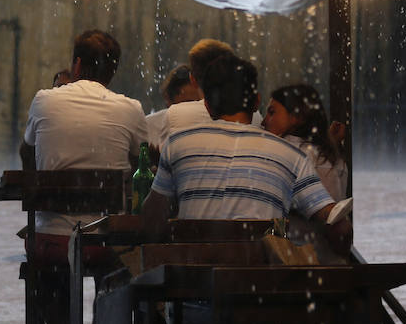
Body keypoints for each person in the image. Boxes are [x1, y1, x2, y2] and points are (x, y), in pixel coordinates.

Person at [20, 29, 149, 324]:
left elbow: (26, 151)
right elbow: (148, 159)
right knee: (118, 271)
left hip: (52, 242)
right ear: (112, 72)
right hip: (105, 244)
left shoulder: (44, 100)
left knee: (43, 272)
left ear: (76, 64)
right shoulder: (131, 109)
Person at [141, 51, 352, 253]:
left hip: (194, 281)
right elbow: (338, 228)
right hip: (259, 282)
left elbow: (151, 221)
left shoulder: (177, 144)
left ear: (207, 106)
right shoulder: (292, 156)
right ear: (257, 102)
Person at [262, 84, 349, 201]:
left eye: (271, 112)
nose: (264, 121)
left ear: (296, 117)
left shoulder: (283, 154)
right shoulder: (330, 158)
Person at [144, 63, 204, 148]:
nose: (192, 109)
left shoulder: (211, 128)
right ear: (168, 100)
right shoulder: (149, 128)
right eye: (186, 104)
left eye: (197, 103)